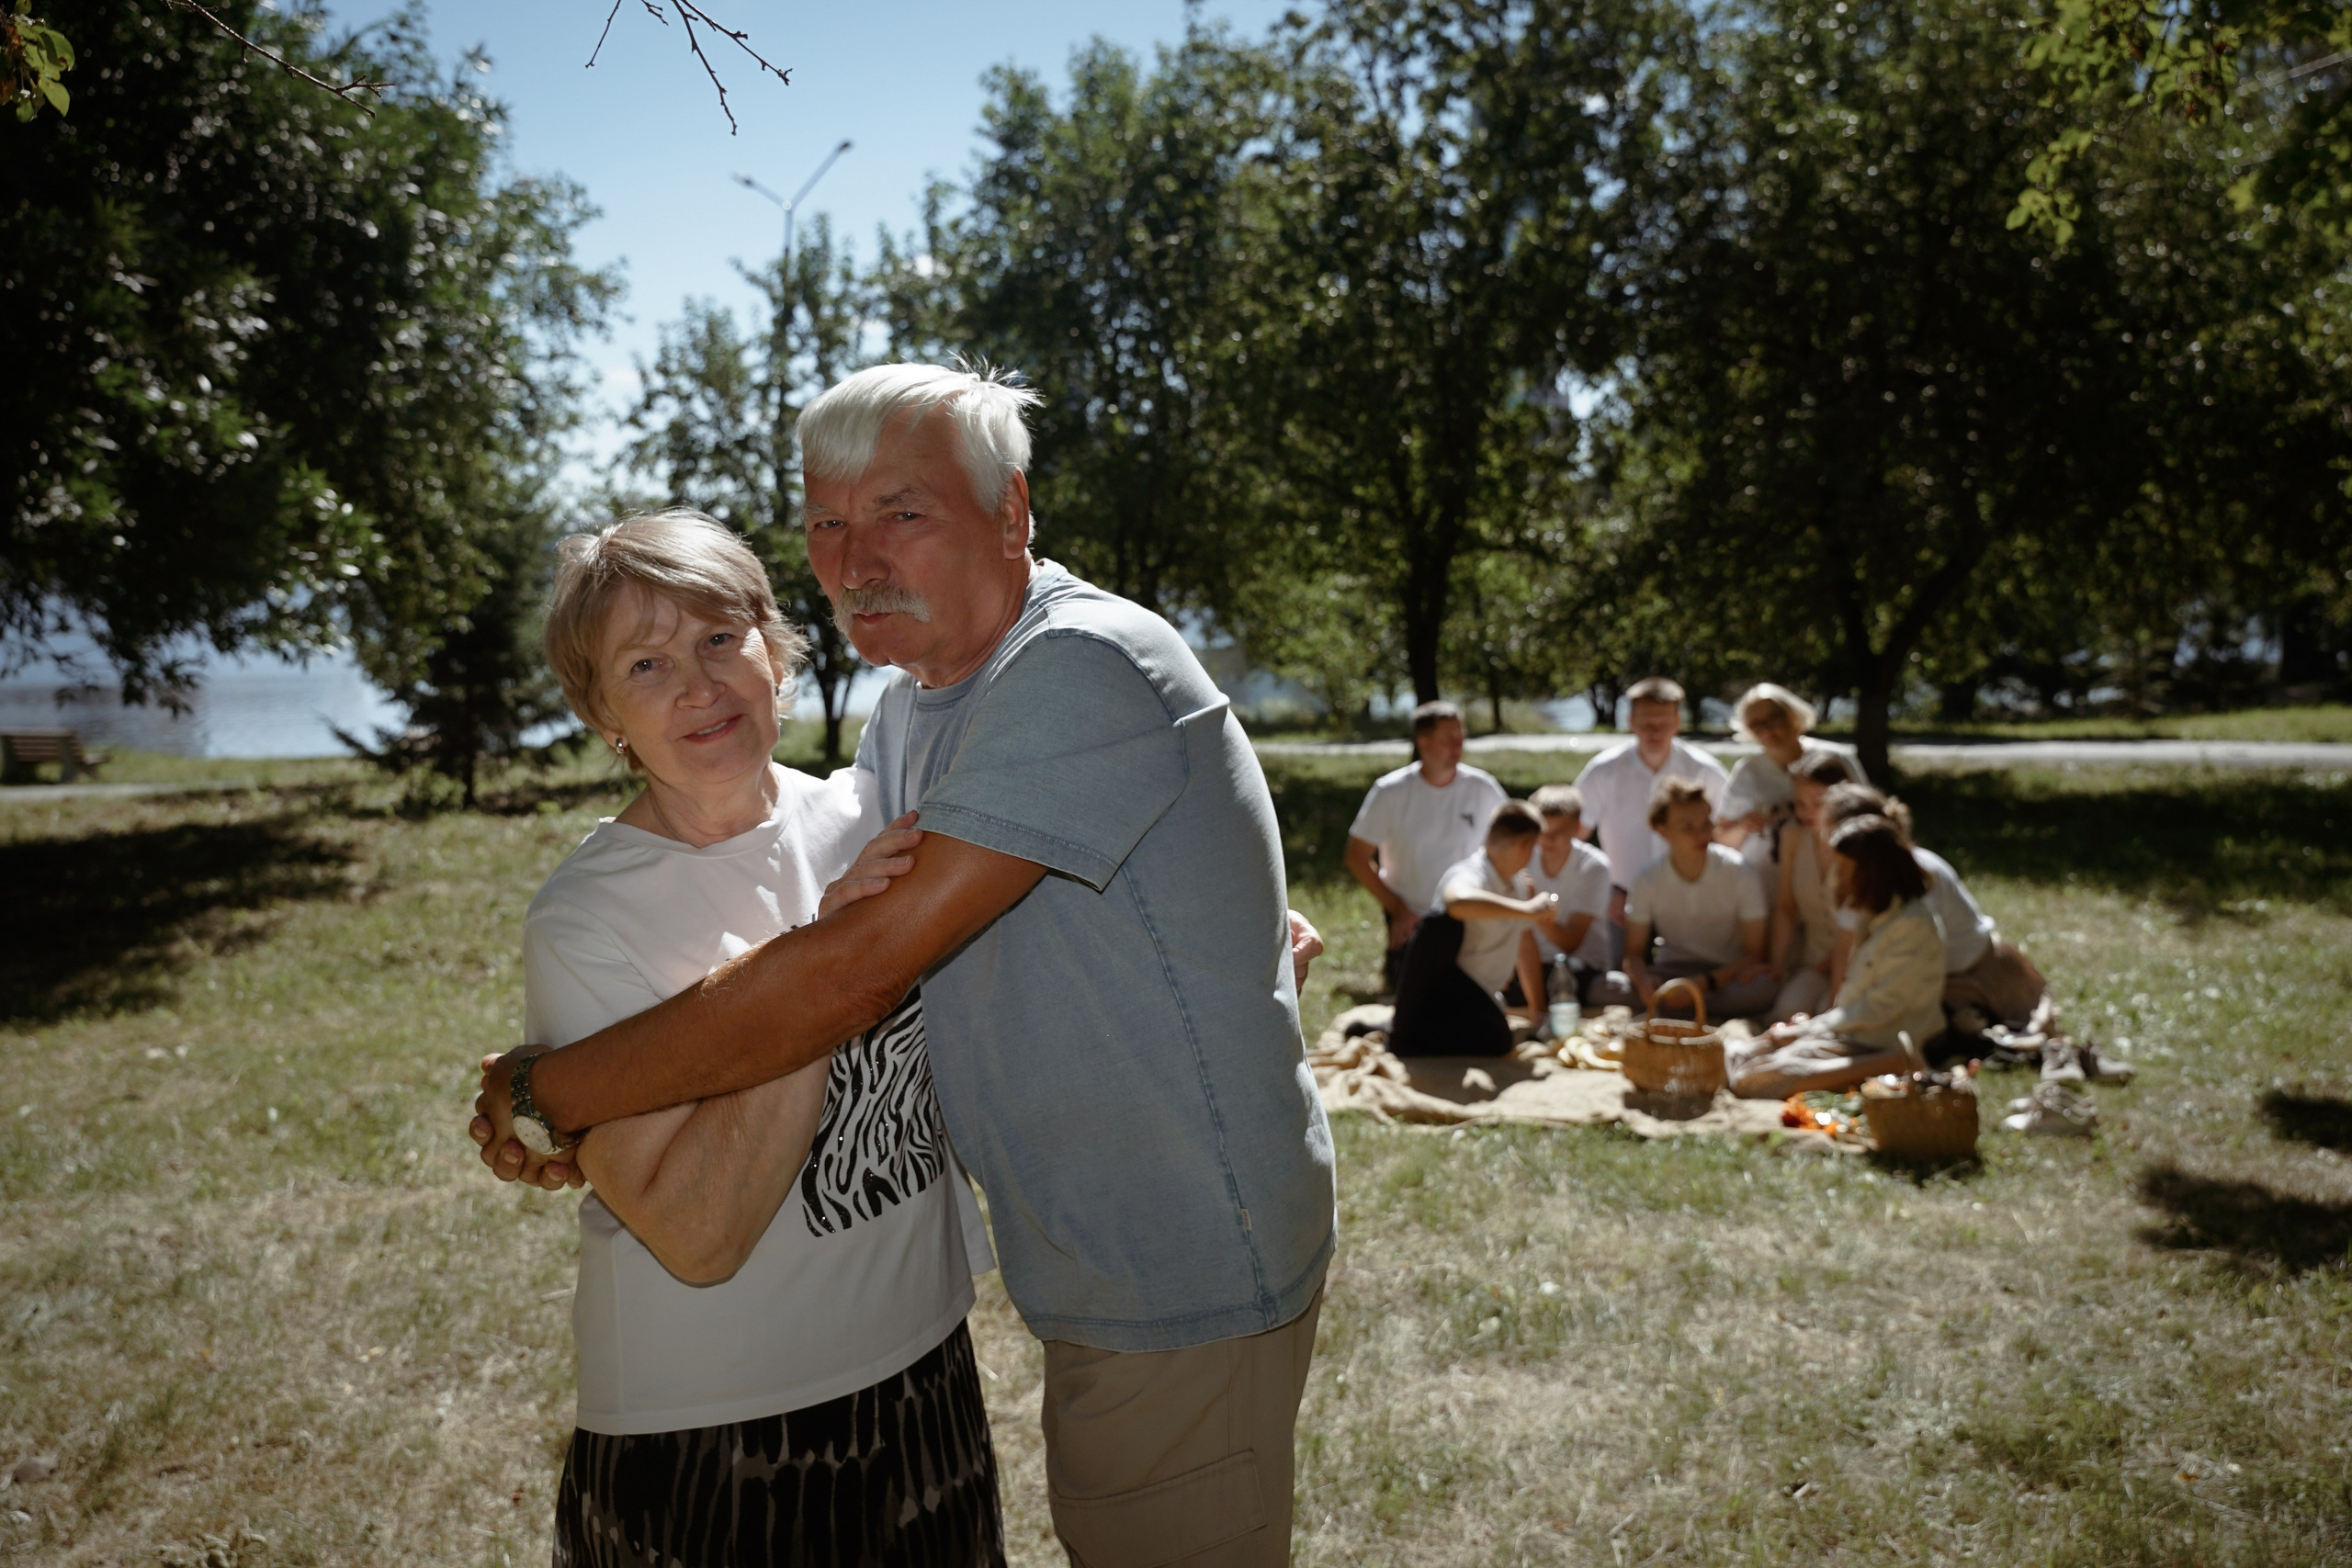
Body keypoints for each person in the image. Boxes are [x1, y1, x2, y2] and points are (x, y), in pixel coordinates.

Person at [471, 363, 1336, 1568]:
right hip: (803, 1396)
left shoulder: (1073, 665)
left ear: (1014, 512)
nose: (855, 555)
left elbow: (857, 968)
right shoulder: (908, 722)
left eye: (901, 511)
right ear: (600, 706)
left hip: (1167, 1267)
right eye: (827, 522)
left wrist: (548, 1087)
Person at [520, 511, 1002, 1565]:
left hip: (927, 1373)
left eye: (718, 639)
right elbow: (697, 1236)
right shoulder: (587, 919)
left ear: (775, 654)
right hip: (716, 1427)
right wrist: (823, 961)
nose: (697, 684)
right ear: (602, 709)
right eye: (645, 663)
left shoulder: (874, 816)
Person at [1726, 815, 1949, 1099]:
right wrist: (1805, 1030)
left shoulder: (1911, 926)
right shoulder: (1876, 914)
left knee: (1750, 1080)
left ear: (1872, 872)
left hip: (1880, 1043)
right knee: (1738, 1056)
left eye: (1844, 869)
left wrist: (1807, 1029)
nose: (1838, 878)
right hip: (1851, 1034)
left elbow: (1878, 1010)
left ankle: (1893, 1064)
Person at [1818, 781, 2052, 1032]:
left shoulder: (1915, 877)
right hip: (1917, 979)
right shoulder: (1862, 882)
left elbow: (1908, 973)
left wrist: (1838, 1023)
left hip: (1970, 978)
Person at [1345, 701, 1509, 993]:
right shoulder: (1391, 791)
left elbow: (1513, 846)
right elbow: (1356, 857)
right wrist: (1399, 910)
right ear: (1423, 741)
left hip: (1470, 915)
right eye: (1448, 738)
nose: (1457, 746)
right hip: (1413, 916)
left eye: (1461, 737)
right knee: (1414, 999)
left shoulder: (1483, 788)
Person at [1572, 676, 1730, 965]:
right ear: (1631, 722)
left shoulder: (1706, 771)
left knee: (1698, 978)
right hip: (1622, 898)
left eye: (1663, 723)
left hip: (1692, 895)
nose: (1654, 732)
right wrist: (1603, 891)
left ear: (1677, 722)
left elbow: (1725, 839)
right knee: (1616, 974)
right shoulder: (1603, 770)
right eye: (1646, 724)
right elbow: (1573, 840)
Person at [1387, 801, 1555, 1057]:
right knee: (1441, 923)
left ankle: (1409, 1032)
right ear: (1525, 847)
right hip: (1443, 988)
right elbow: (1458, 902)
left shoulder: (1518, 884)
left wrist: (1539, 1011)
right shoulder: (1468, 872)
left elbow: (1525, 943)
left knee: (1496, 1038)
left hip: (1479, 994)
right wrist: (1527, 909)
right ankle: (1403, 1034)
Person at [1622, 777, 1777, 1020]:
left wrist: (1705, 984)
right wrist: (1643, 983)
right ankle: (1682, 1008)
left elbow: (1755, 954)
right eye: (1688, 827)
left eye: (1706, 824)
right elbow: (1632, 954)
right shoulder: (1647, 878)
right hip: (1672, 972)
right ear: (1663, 831)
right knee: (1605, 985)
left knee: (1764, 988)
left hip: (1724, 977)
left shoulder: (1739, 871)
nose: (1701, 834)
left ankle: (1676, 1010)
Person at [1715, 682, 1858, 863]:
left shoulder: (1836, 758)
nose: (1766, 730)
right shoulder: (1747, 771)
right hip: (1764, 881)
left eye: (1773, 719)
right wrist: (1742, 825)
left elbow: (1866, 816)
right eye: (1755, 725)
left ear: (1792, 715)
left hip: (1826, 873)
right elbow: (1721, 839)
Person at [1523, 784, 1636, 1010]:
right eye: (1543, 830)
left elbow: (1570, 942)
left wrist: (1529, 908)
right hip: (1532, 965)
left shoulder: (1593, 866)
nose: (1549, 839)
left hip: (1584, 969)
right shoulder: (1523, 858)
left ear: (1577, 827)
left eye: (1560, 831)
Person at [1765, 751, 1858, 1023]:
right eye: (1799, 804)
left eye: (1818, 803)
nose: (1807, 812)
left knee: (1827, 1016)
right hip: (1813, 961)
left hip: (1858, 961)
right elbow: (1785, 907)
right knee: (1786, 1013)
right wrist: (1777, 966)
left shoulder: (1860, 844)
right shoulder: (1793, 837)